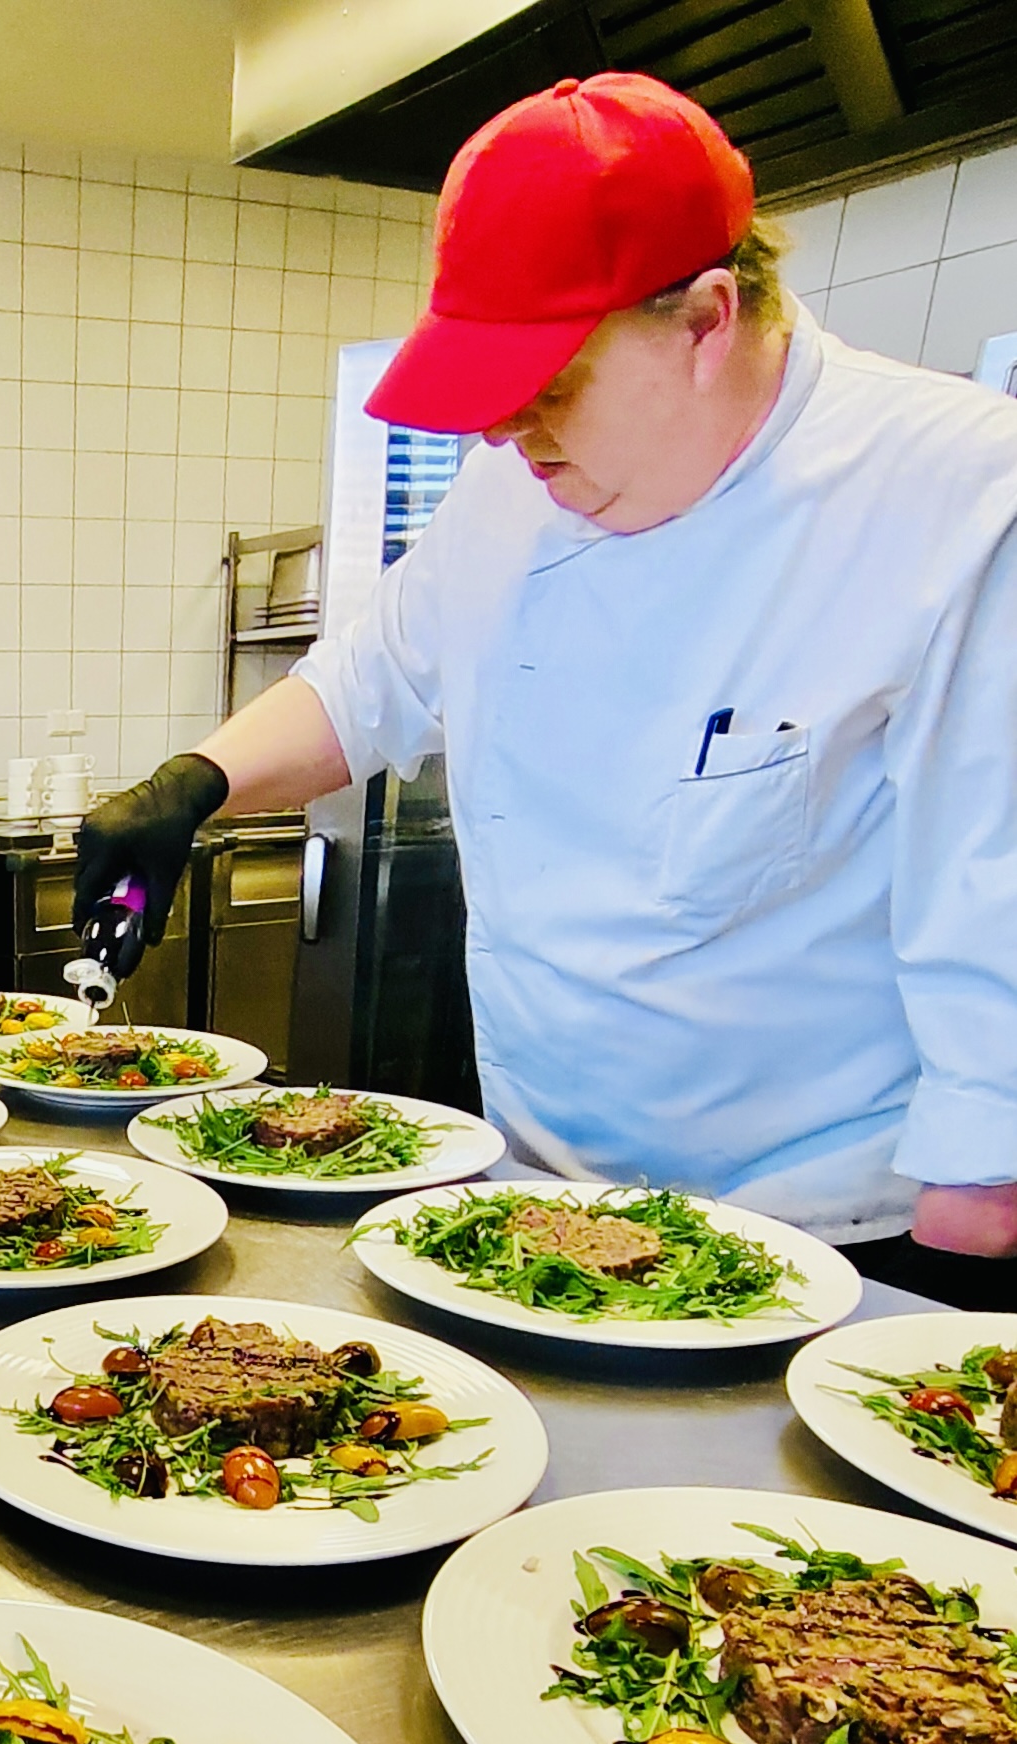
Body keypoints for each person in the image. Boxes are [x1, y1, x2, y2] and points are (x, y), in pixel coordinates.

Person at [76, 72, 1017, 1311]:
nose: (511, 433)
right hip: (538, 1197)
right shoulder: (516, 486)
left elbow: (993, 881)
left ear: (706, 319)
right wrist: (196, 783)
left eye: (551, 386)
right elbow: (368, 683)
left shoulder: (958, 493)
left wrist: (970, 1222)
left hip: (825, 1235)